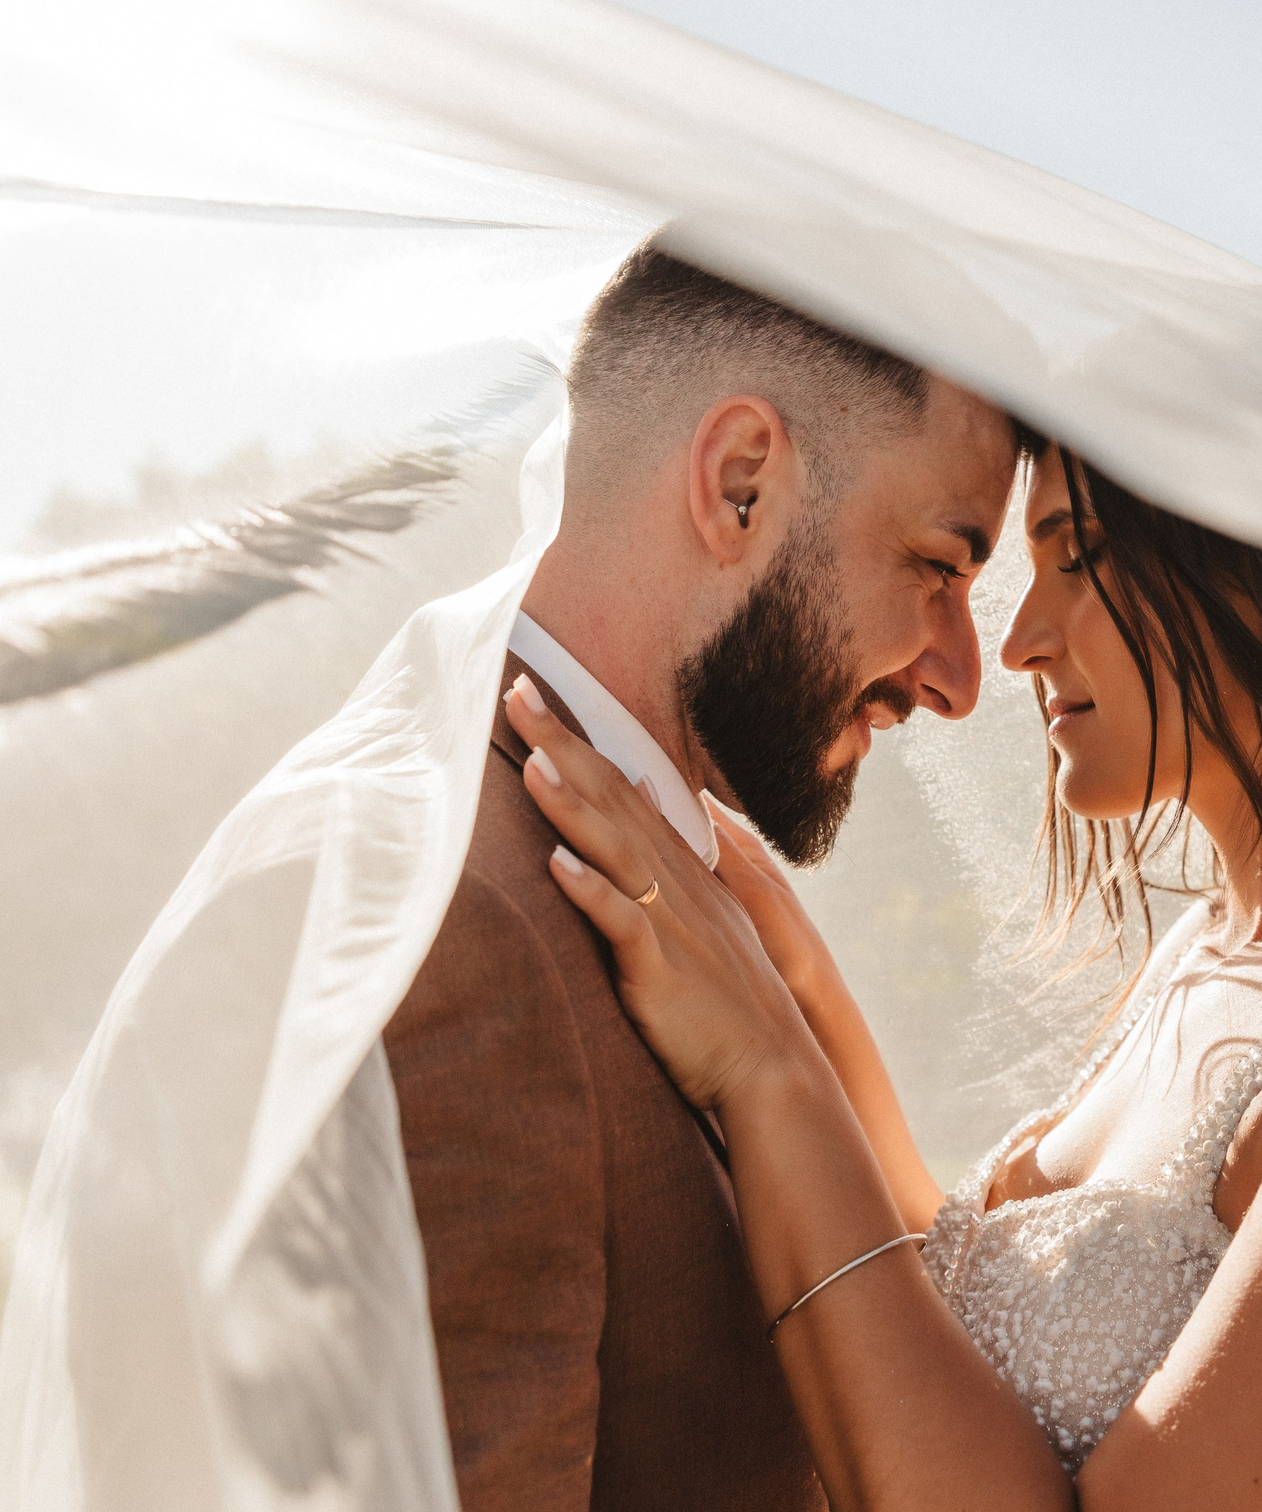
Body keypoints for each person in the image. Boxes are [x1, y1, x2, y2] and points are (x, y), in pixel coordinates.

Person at [516, 441, 1262, 1510]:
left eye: (1081, 558)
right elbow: (974, 1343)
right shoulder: (1207, 957)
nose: (1018, 643)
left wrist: (771, 1075)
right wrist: (794, 987)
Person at [383, 247, 1022, 1511]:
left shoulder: (701, 904)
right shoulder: (468, 918)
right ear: (741, 485)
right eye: (940, 567)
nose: (957, 679)